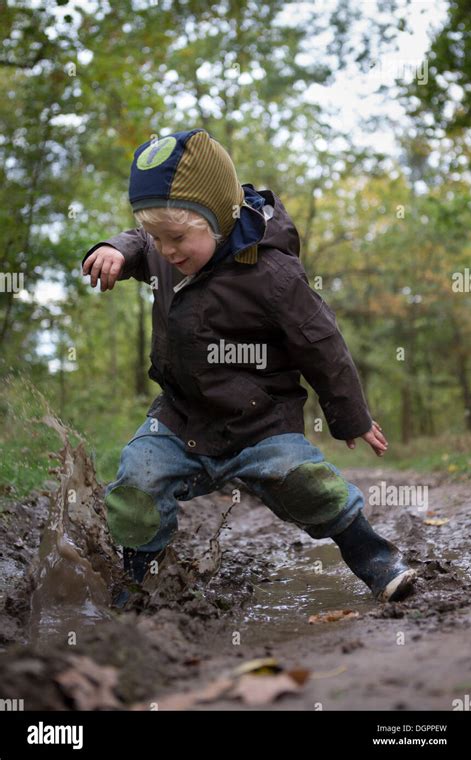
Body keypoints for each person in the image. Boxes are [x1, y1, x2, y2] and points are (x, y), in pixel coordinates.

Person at [82, 127, 417, 605]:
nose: (167, 251)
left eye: (176, 237)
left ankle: (376, 561)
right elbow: (139, 240)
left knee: (309, 485)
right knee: (137, 480)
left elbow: (322, 344)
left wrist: (351, 416)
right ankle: (137, 583)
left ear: (218, 219)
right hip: (182, 415)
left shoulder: (272, 273)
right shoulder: (162, 251)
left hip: (262, 420)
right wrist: (118, 248)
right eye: (156, 238)